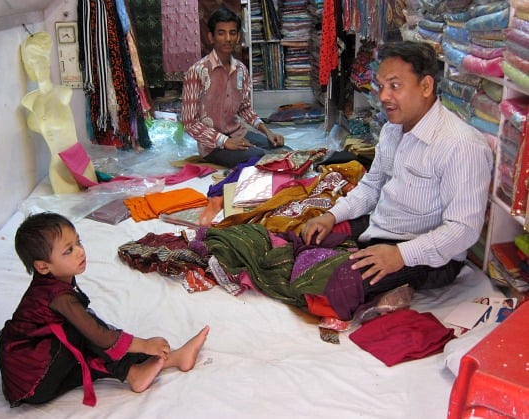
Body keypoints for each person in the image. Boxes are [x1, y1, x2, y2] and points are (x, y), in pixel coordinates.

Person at [301, 41, 493, 300]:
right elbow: (371, 187)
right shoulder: (393, 130)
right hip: (382, 227)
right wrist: (332, 216)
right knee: (305, 237)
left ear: (426, 86)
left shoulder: (461, 145)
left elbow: (463, 229)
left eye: (395, 86)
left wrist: (401, 256)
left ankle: (399, 284)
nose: (382, 97)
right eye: (381, 86)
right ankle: (384, 278)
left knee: (333, 285)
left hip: (426, 254)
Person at [0, 212, 209, 407]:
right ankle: (136, 372)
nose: (80, 251)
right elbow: (98, 335)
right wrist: (143, 344)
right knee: (86, 332)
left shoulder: (56, 282)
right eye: (68, 250)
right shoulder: (58, 297)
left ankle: (157, 365)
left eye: (78, 242)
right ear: (43, 267)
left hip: (36, 379)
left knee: (90, 342)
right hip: (34, 381)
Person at [181, 6, 286, 168]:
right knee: (259, 157)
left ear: (238, 36)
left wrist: (267, 132)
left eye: (233, 32)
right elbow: (189, 122)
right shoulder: (196, 72)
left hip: (239, 133)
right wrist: (225, 141)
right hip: (213, 145)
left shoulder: (241, 70)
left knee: (284, 151)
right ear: (211, 37)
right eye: (221, 33)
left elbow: (244, 108)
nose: (228, 38)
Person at [21, 32, 97, 194]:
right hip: (58, 165)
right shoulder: (31, 102)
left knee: (96, 199)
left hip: (78, 158)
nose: (39, 65)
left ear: (48, 60)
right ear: (28, 66)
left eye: (42, 59)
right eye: (33, 61)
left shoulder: (63, 93)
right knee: (72, 205)